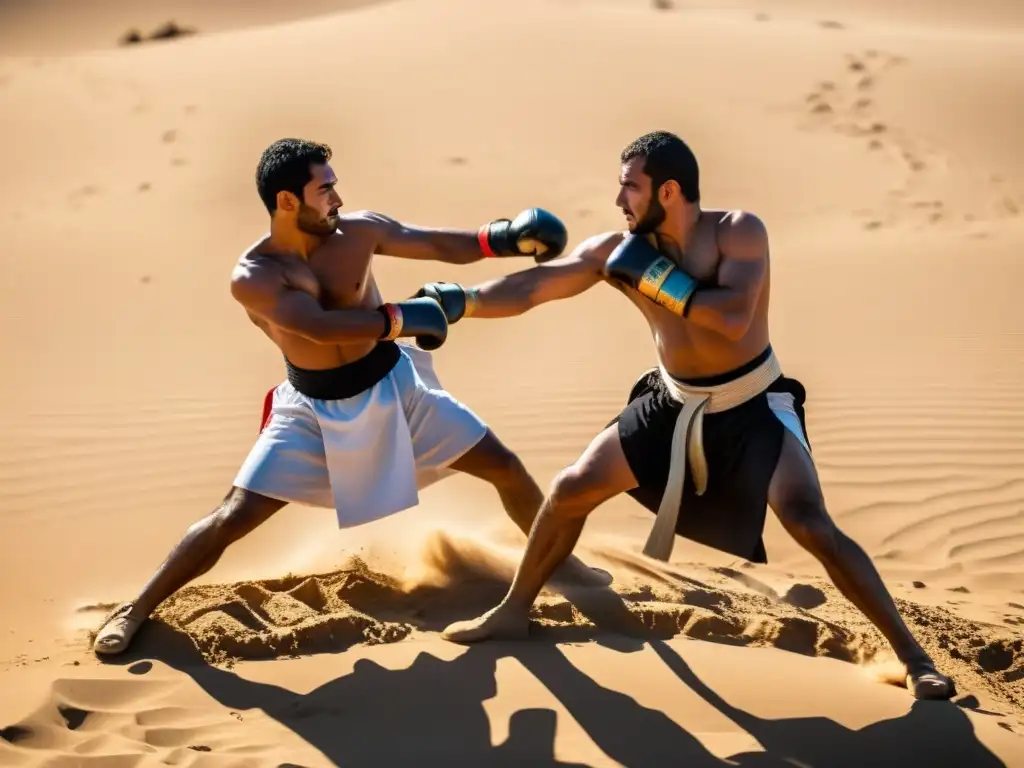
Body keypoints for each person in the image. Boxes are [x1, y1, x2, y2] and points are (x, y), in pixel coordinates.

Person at [412, 130, 955, 700]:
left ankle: (913, 657)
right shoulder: (612, 250)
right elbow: (535, 288)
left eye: (630, 188)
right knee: (571, 488)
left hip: (752, 405)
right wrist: (461, 302)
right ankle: (513, 611)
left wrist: (650, 276)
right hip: (673, 402)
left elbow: (731, 319)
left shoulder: (737, 232)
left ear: (668, 191)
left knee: (808, 521)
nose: (620, 202)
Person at [92, 137, 607, 656]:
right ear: (287, 202)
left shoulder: (358, 231)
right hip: (311, 411)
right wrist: (401, 318)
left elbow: (432, 243)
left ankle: (559, 563)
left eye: (335, 186)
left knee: (504, 466)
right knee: (232, 517)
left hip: (396, 387)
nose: (337, 198)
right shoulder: (255, 277)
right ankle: (135, 610)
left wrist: (504, 238)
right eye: (325, 189)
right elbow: (317, 328)